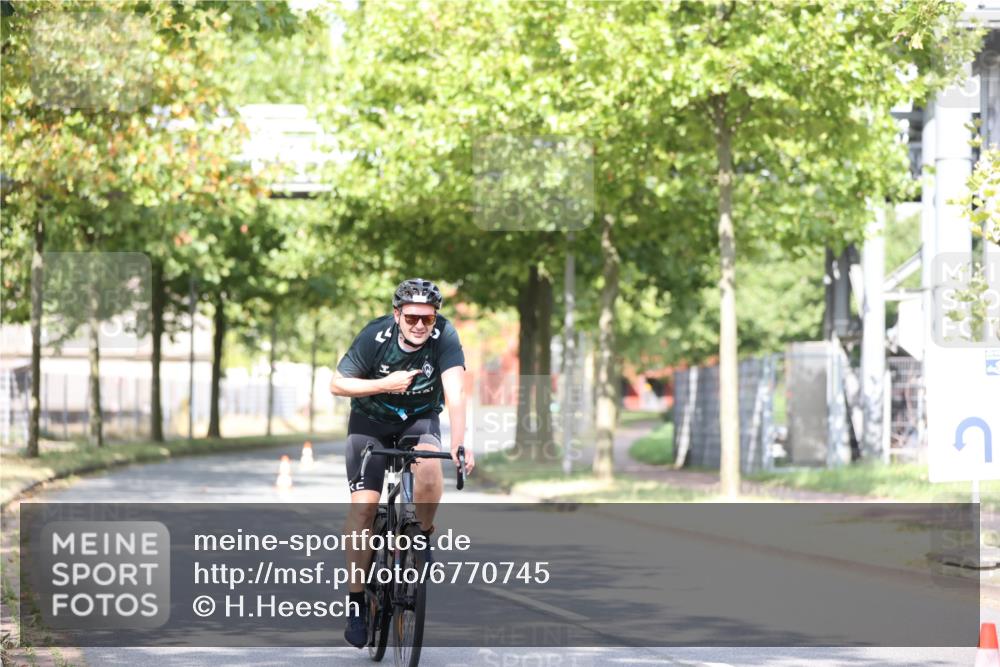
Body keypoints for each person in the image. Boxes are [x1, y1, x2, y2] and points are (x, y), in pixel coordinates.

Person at [330, 278, 475, 649]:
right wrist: (385, 384)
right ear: (397, 315)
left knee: (429, 466)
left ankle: (421, 536)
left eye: (427, 319)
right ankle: (357, 602)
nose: (419, 326)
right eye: (411, 318)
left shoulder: (445, 337)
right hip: (370, 423)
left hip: (419, 420)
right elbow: (338, 383)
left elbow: (456, 394)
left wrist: (460, 444)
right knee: (363, 510)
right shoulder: (374, 337)